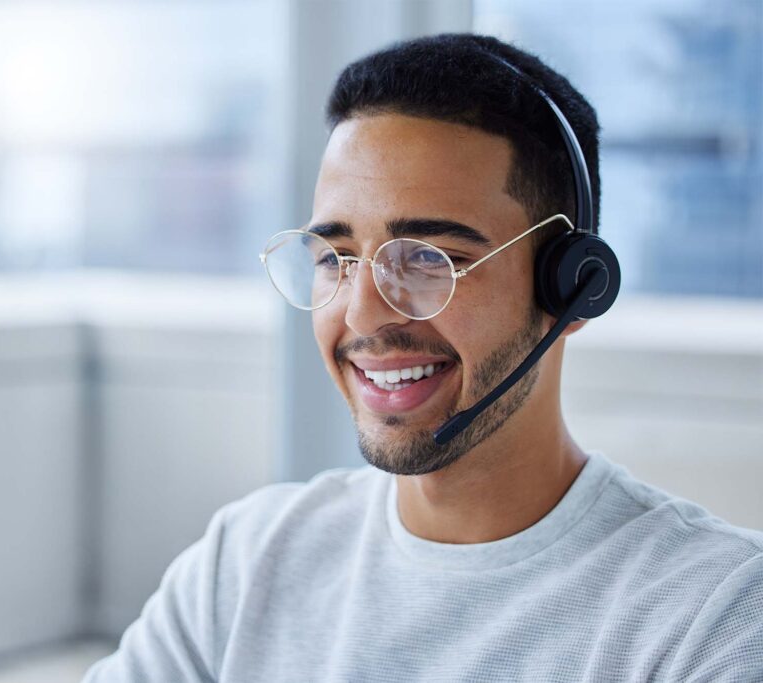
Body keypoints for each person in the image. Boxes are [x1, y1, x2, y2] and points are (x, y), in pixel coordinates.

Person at [83, 34, 763, 682]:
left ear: (572, 285)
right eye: (337, 259)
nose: (362, 315)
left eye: (430, 259)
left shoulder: (715, 616)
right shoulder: (248, 561)